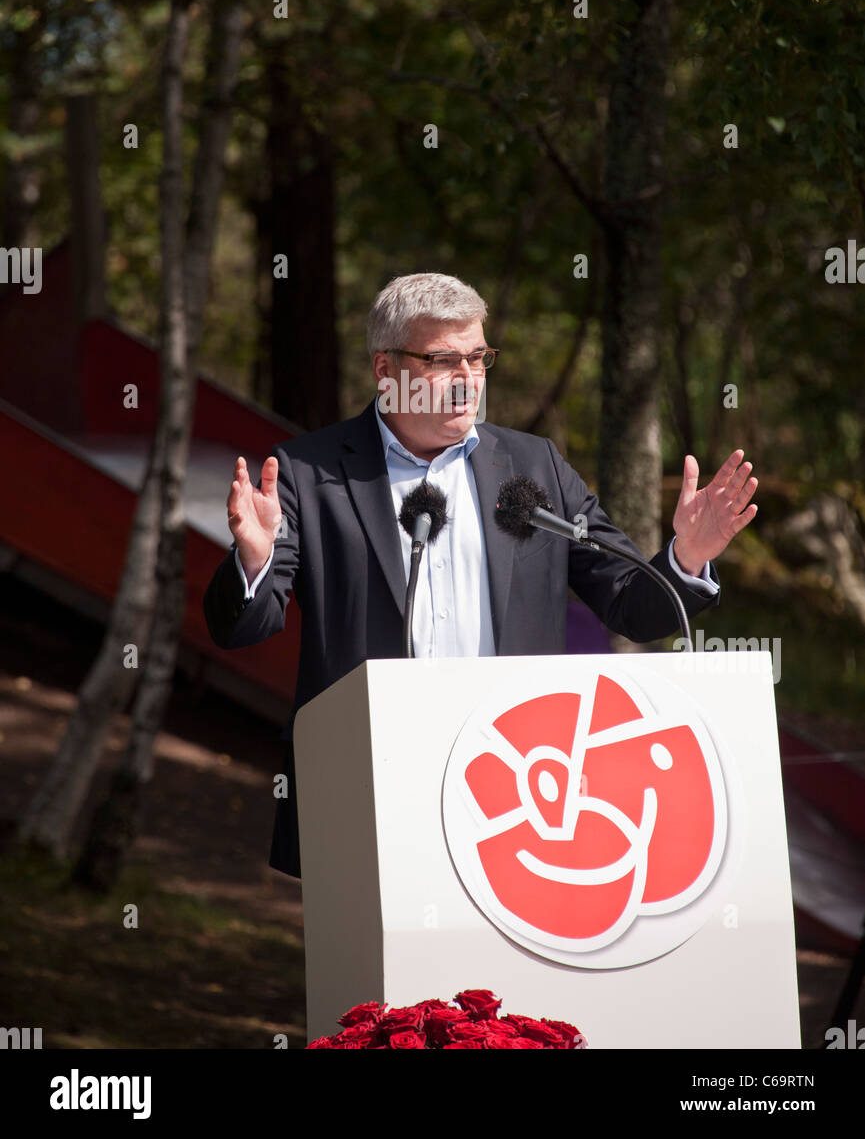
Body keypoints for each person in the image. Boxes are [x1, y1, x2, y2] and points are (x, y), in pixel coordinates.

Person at [203, 272, 758, 879]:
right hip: (369, 785)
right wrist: (254, 562)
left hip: (518, 793)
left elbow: (631, 604)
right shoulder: (309, 474)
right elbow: (243, 629)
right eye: (442, 360)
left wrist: (689, 556)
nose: (468, 379)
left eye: (478, 357)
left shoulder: (533, 465)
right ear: (385, 370)